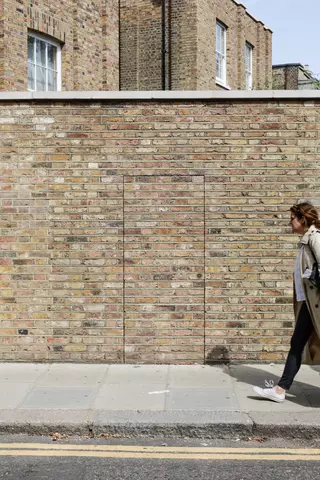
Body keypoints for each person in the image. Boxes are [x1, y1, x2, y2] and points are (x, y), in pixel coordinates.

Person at [253, 201, 320, 403]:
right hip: (309, 304)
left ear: (303, 219)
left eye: (292, 219)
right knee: (297, 344)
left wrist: (312, 277)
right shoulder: (306, 240)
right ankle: (280, 389)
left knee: (296, 344)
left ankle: (280, 389)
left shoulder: (315, 238)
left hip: (315, 304)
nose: (289, 223)